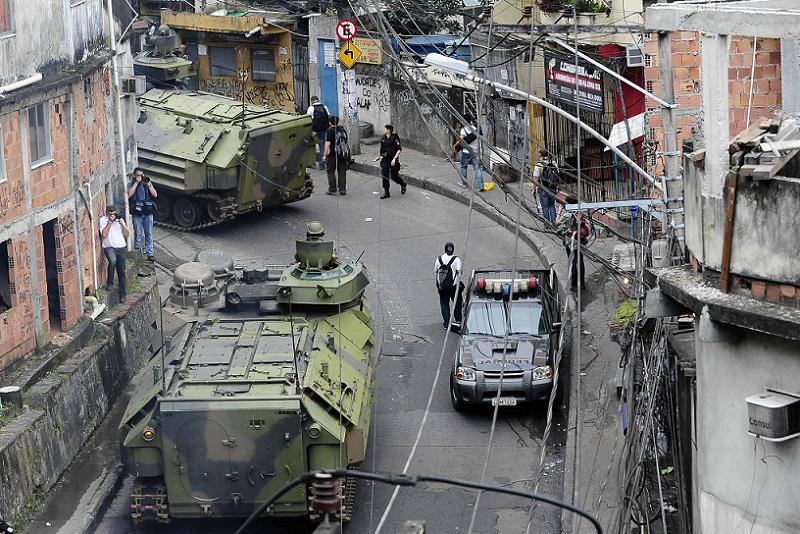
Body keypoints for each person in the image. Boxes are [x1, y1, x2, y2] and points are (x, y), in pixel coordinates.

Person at [555, 196, 589, 291]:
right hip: (580, 240)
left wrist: (559, 211)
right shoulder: (580, 212)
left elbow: (556, 223)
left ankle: (574, 285)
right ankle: (582, 284)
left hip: (570, 240)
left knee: (573, 262)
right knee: (580, 261)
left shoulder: (567, 215)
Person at [99, 205, 130, 303]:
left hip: (120, 247)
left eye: (114, 214)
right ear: (107, 213)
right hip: (109, 246)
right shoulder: (103, 220)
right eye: (110, 214)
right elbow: (103, 234)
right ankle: (110, 283)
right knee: (112, 262)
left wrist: (122, 224)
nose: (112, 215)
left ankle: (123, 294)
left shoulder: (119, 219)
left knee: (122, 272)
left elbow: (127, 234)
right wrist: (110, 222)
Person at [127, 167, 157, 261]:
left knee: (149, 234)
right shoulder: (131, 184)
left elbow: (155, 194)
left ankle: (150, 253)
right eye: (138, 175)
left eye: (141, 175)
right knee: (138, 234)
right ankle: (138, 253)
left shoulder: (146, 183)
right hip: (137, 213)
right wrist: (136, 183)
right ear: (134, 176)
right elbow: (129, 194)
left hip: (147, 212)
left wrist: (149, 185)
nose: (140, 177)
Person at [434, 242, 462, 330]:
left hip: (442, 286)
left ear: (445, 249)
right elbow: (459, 271)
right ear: (453, 249)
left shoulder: (439, 259)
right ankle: (458, 320)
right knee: (457, 302)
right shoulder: (456, 259)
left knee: (444, 303)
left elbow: (435, 270)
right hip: (453, 286)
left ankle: (447, 323)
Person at [375, 124, 406, 199]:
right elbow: (382, 150)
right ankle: (386, 192)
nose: (384, 130)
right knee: (384, 175)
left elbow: (399, 149)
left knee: (394, 176)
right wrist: (379, 157)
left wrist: (394, 159)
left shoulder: (394, 138)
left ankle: (403, 184)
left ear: (388, 130)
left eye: (385, 129)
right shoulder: (383, 138)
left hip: (393, 160)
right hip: (385, 160)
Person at [455, 115, 484, 191]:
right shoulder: (475, 129)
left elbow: (460, 141)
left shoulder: (463, 130)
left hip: (466, 152)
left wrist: (455, 146)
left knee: (463, 167)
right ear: (470, 121)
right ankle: (481, 186)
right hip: (475, 151)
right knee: (477, 169)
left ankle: (464, 184)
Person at [323, 116, 350, 195]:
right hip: (342, 154)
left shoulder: (330, 131)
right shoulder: (342, 130)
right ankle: (342, 189)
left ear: (330, 122)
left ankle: (332, 188)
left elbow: (327, 144)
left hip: (332, 155)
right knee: (342, 171)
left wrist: (324, 155)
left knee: (330, 171)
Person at [533, 148, 560, 224]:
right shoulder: (554, 163)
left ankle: (547, 225)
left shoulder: (538, 165)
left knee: (545, 207)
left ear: (540, 155)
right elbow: (557, 176)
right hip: (553, 188)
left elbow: (535, 178)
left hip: (543, 188)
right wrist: (557, 187)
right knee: (552, 205)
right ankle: (554, 223)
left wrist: (533, 189)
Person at [307, 96, 331, 170]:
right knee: (322, 146)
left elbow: (308, 118)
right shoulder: (324, 107)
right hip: (324, 130)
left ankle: (313, 163)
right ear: (318, 100)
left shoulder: (311, 108)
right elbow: (329, 116)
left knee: (311, 146)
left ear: (312, 101)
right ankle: (322, 163)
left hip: (314, 131)